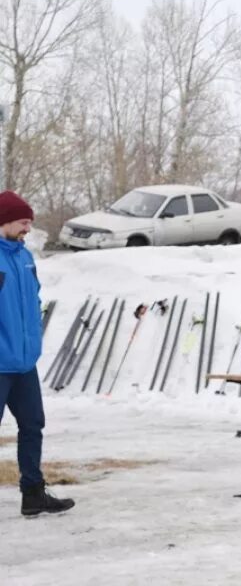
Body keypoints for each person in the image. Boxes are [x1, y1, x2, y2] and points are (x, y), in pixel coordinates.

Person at [0, 191, 75, 516]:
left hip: (24, 363)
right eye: (22, 221)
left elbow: (33, 302)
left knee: (33, 426)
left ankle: (33, 494)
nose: (27, 227)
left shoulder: (25, 257)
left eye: (29, 222)